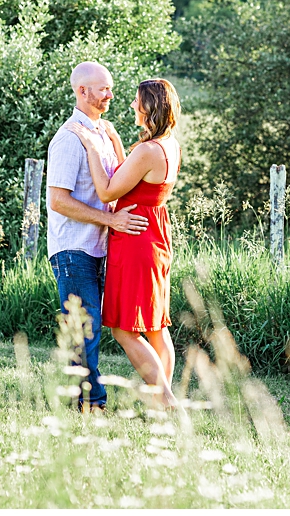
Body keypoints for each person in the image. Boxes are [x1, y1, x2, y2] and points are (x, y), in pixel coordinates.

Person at [67, 78, 182, 409]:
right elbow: (129, 174)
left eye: (136, 101)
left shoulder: (147, 151)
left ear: (148, 107)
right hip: (155, 234)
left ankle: (166, 400)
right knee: (156, 326)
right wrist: (116, 140)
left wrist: (91, 147)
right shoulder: (167, 145)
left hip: (135, 240)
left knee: (124, 329)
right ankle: (163, 400)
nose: (131, 105)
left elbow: (107, 190)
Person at [46, 62, 148, 412]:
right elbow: (58, 201)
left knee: (94, 327)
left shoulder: (104, 132)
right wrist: (110, 220)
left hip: (101, 246)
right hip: (73, 248)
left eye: (110, 87)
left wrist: (117, 141)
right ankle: (92, 404)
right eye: (102, 88)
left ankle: (88, 400)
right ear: (82, 92)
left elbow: (120, 181)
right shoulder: (69, 138)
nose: (110, 94)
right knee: (84, 329)